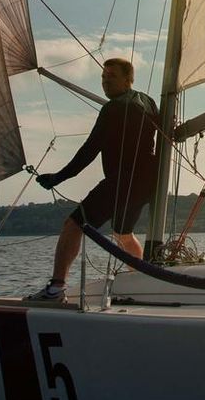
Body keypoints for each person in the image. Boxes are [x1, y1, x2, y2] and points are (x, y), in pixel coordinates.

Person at [27, 58, 159, 300]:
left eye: (112, 76)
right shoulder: (148, 102)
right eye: (103, 77)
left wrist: (58, 178)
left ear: (128, 79)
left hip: (123, 181)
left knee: (74, 224)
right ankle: (141, 281)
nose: (106, 81)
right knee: (122, 232)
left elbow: (90, 149)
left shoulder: (113, 108)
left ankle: (56, 288)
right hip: (147, 183)